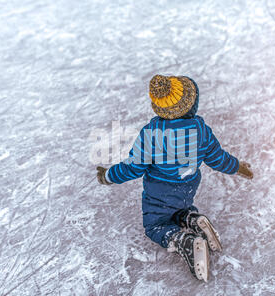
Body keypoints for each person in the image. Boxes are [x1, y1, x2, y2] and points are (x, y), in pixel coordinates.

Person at [96, 74, 253, 282]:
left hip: (160, 191)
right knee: (179, 208)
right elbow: (218, 158)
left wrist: (108, 176)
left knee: (155, 225)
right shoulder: (201, 131)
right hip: (188, 186)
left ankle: (183, 240)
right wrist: (238, 167)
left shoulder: (151, 134)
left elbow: (132, 167)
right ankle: (192, 219)